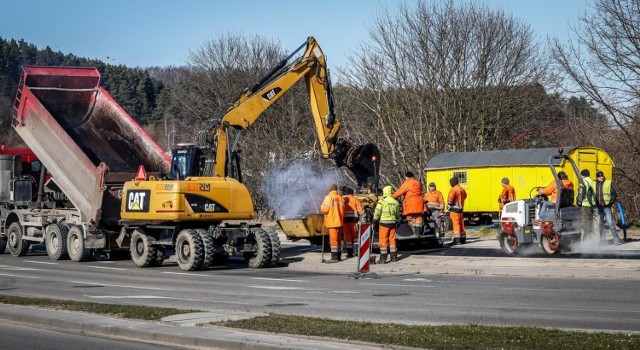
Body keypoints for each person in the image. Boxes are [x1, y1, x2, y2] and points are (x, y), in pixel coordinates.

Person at [373, 185, 401, 264]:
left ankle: (383, 259)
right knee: (392, 240)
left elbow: (377, 211)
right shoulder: (395, 202)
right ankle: (394, 257)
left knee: (383, 240)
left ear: (384, 192)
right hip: (392, 223)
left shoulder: (382, 201)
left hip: (384, 223)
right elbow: (397, 214)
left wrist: (374, 220)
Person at [594, 170, 621, 245]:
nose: (601, 177)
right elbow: (590, 194)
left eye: (601, 176)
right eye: (599, 177)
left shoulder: (608, 182)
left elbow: (614, 194)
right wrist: (592, 203)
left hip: (606, 207)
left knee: (610, 223)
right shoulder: (594, 184)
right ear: (597, 178)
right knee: (600, 224)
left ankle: (616, 239)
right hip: (598, 207)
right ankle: (602, 241)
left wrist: (610, 202)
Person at [321, 183, 345, 263]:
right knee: (338, 240)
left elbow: (324, 209)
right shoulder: (340, 198)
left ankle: (334, 258)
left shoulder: (329, 197)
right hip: (339, 222)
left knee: (333, 240)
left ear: (330, 189)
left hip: (332, 222)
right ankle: (338, 256)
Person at [341, 186, 364, 258]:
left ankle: (350, 253)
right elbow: (359, 209)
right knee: (355, 236)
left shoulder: (343, 200)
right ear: (352, 193)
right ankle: (357, 251)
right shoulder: (355, 199)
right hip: (354, 220)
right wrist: (364, 215)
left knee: (347, 237)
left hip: (345, 220)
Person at [447, 176, 467, 245]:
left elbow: (450, 199)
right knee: (462, 225)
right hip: (460, 210)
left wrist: (449, 204)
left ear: (452, 183)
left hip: (454, 210)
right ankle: (463, 239)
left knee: (456, 225)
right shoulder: (462, 189)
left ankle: (457, 240)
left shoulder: (453, 189)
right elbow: (465, 196)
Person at [578, 169, 596, 241]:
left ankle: (585, 240)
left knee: (585, 222)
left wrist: (579, 201)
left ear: (582, 175)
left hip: (585, 204)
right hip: (591, 203)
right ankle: (590, 238)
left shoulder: (584, 182)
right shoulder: (592, 181)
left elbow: (582, 192)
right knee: (590, 221)